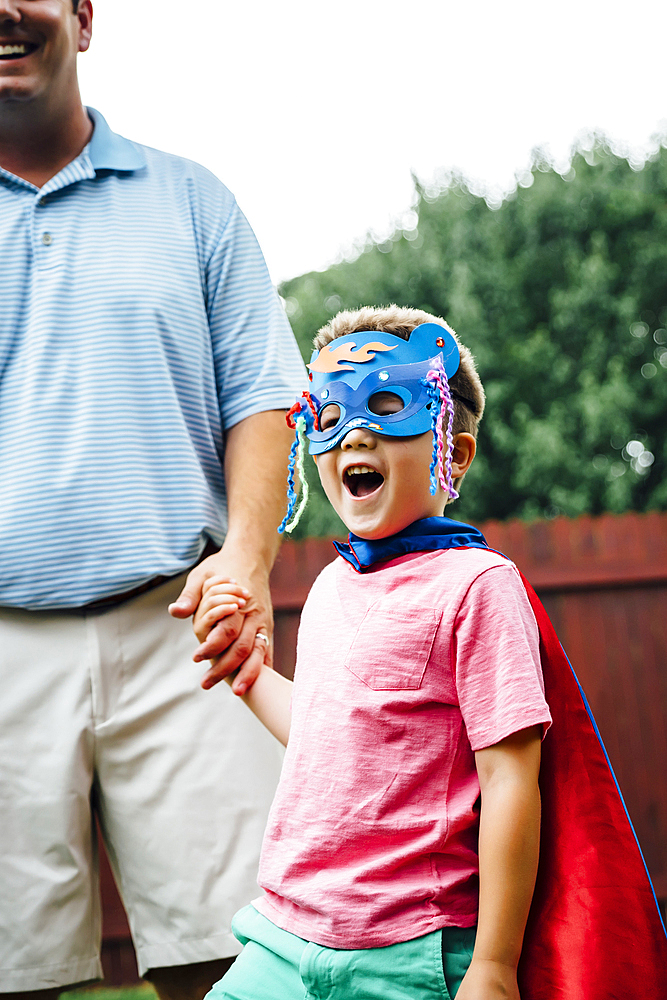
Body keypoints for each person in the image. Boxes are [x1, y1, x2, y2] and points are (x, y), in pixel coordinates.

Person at [0, 2, 305, 998]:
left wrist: (248, 558)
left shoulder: (192, 200)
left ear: (84, 19)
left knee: (243, 963)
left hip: (188, 639)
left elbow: (265, 394)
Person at [194, 306, 552, 1000]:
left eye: (388, 406)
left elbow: (510, 782)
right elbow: (329, 733)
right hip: (283, 933)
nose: (355, 429)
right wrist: (247, 671)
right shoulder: (332, 585)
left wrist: (494, 964)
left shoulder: (477, 586)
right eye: (329, 417)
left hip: (408, 953)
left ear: (451, 454)